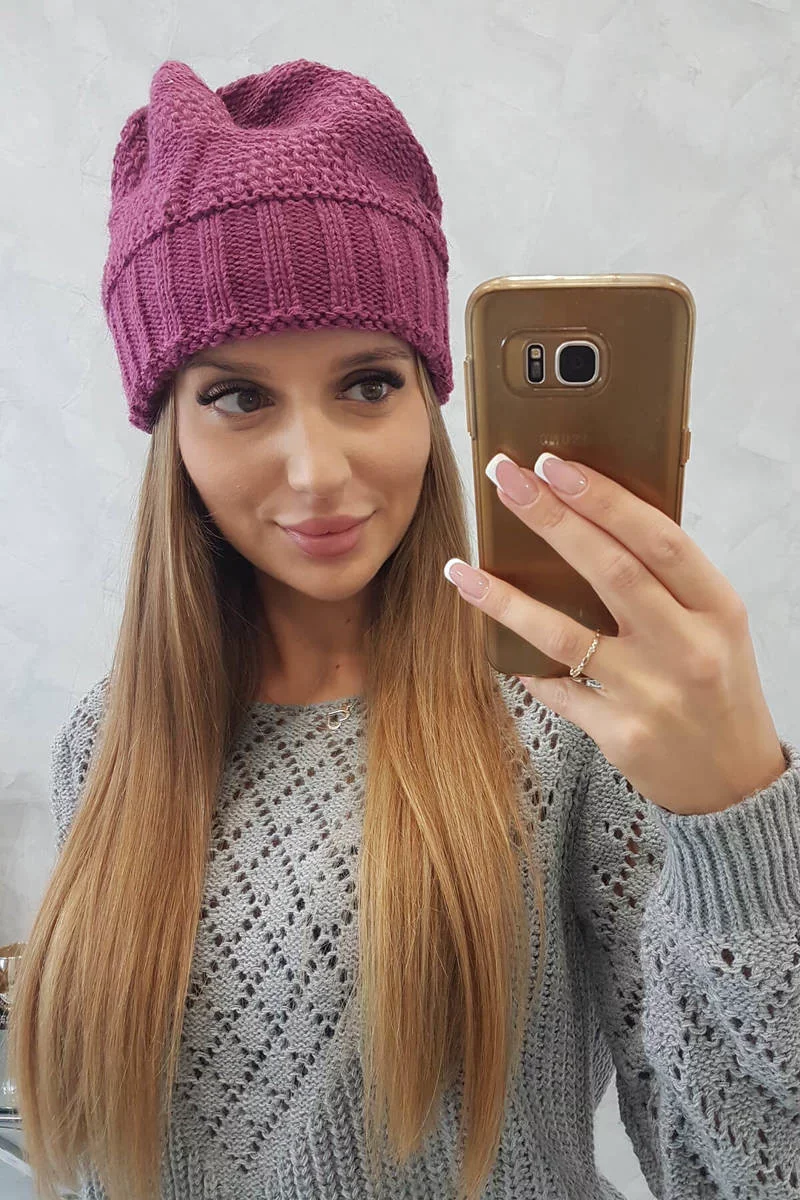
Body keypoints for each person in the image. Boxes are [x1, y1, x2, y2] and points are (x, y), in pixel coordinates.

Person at [8, 58, 800, 1200]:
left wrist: (738, 822)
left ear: (431, 397)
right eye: (238, 396)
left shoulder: (566, 723)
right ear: (170, 427)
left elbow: (741, 1169)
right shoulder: (104, 743)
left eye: (368, 385)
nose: (316, 471)